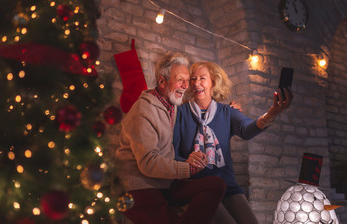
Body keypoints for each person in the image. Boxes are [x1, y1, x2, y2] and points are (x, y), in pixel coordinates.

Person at [173, 61, 293, 224]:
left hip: (227, 185)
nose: (196, 83)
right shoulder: (180, 113)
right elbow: (172, 154)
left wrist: (272, 112)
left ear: (213, 82)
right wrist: (186, 162)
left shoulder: (227, 112)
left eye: (202, 78)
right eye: (193, 79)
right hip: (198, 187)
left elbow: (248, 129)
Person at [115, 53, 226, 224]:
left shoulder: (171, 107)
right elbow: (148, 163)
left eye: (187, 80)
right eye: (180, 79)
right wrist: (187, 169)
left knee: (215, 185)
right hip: (139, 188)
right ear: (161, 81)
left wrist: (192, 160)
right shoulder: (144, 110)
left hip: (165, 184)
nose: (185, 85)